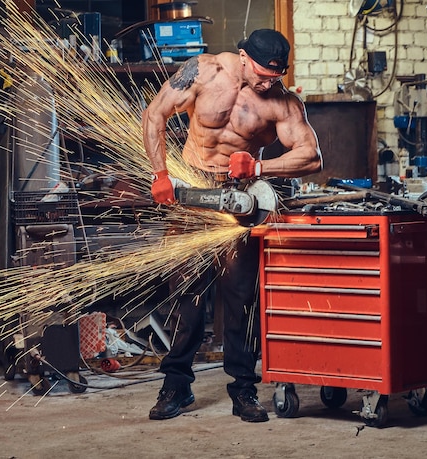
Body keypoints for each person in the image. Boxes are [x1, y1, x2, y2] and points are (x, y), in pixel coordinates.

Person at [141, 29, 322, 422]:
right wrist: (160, 173)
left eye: (276, 77)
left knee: (240, 298)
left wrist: (260, 166)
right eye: (262, 74)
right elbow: (155, 113)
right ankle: (176, 386)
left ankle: (243, 389)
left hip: (237, 200)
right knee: (186, 296)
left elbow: (312, 156)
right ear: (242, 57)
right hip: (190, 194)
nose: (267, 83)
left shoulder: (282, 102)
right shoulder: (203, 71)